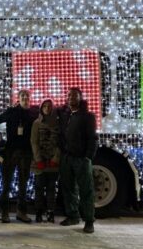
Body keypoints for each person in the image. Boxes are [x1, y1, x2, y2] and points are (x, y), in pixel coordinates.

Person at [0, 89, 37, 224]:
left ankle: (21, 212)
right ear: (18, 98)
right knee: (7, 183)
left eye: (27, 95)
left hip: (26, 152)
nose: (25, 98)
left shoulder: (34, 113)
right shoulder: (11, 112)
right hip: (11, 152)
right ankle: (4, 213)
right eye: (23, 95)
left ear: (30, 98)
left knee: (23, 184)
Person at [58, 87, 98, 233]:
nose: (71, 98)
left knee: (86, 190)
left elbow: (93, 138)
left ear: (80, 97)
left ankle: (89, 221)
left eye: (74, 95)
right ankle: (73, 216)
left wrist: (88, 157)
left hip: (81, 159)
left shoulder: (88, 116)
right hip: (67, 158)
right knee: (68, 189)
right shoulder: (66, 115)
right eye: (69, 95)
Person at [30, 99, 60, 223]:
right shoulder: (37, 123)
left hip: (52, 163)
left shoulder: (57, 123)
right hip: (40, 163)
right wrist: (38, 159)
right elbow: (34, 142)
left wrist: (55, 158)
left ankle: (50, 212)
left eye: (49, 106)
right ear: (41, 108)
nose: (47, 108)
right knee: (39, 188)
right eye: (45, 106)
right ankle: (38, 212)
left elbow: (60, 143)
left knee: (51, 189)